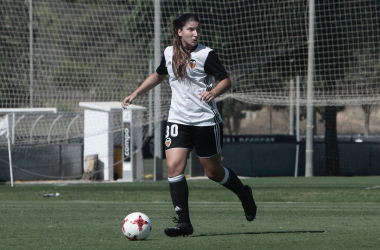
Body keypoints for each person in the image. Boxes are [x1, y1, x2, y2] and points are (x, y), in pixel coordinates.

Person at [121, 13, 257, 237]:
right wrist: (135, 93)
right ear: (179, 32)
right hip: (178, 120)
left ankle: (243, 193)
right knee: (174, 168)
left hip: (205, 121)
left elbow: (226, 80)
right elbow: (158, 74)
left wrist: (213, 92)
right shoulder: (169, 52)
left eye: (197, 30)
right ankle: (184, 223)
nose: (195, 34)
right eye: (191, 30)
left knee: (213, 173)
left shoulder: (206, 54)